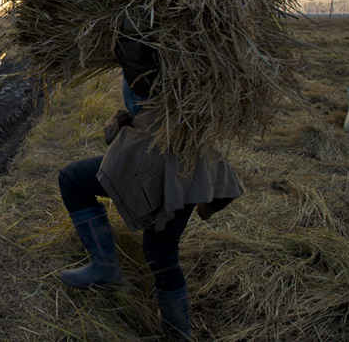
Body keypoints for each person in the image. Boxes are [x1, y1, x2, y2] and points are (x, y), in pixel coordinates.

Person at [56, 17, 244, 340]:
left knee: (72, 180)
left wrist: (121, 23)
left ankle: (105, 265)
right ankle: (175, 333)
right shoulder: (188, 60)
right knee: (160, 249)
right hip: (188, 158)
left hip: (166, 158)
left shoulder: (151, 49)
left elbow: (138, 44)